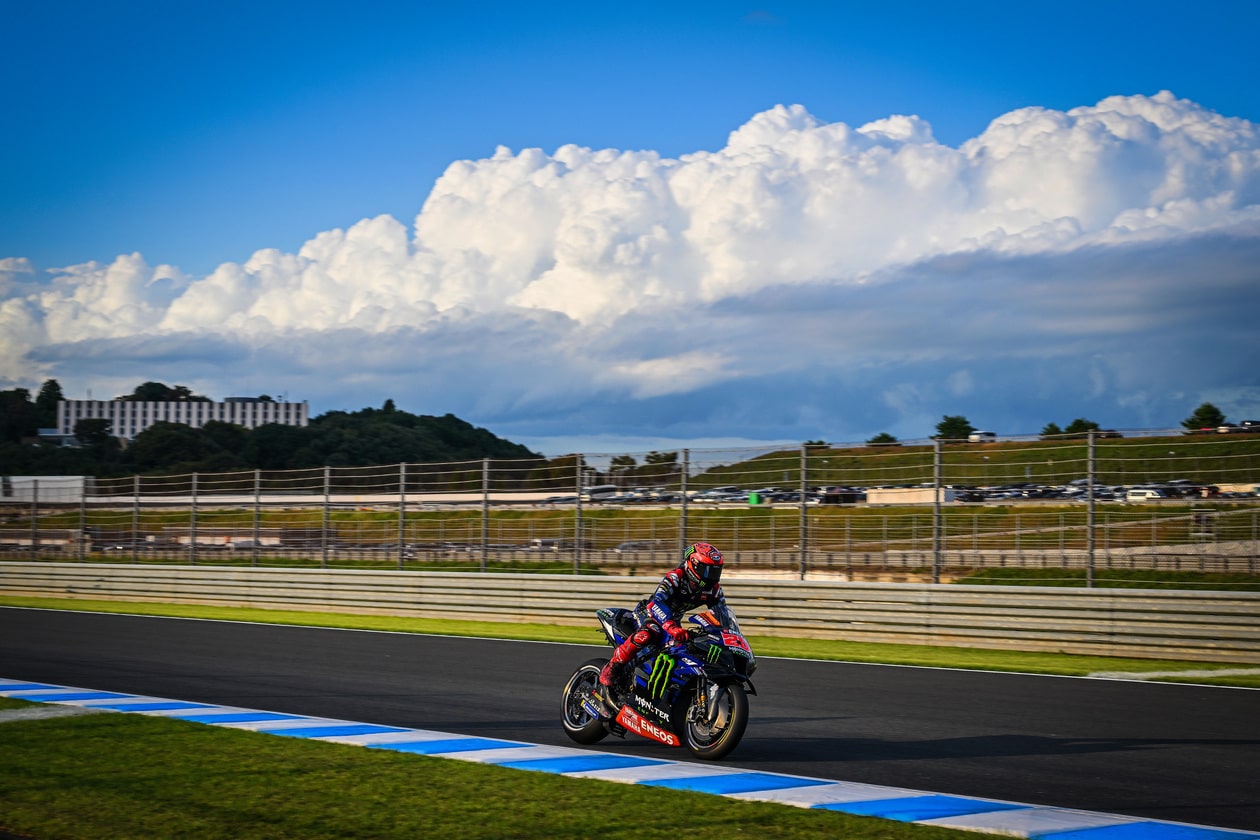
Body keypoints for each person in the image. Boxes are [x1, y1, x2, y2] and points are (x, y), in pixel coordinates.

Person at [595, 542, 727, 716]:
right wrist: (671, 626)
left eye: (716, 571)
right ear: (694, 565)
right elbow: (656, 603)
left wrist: (723, 634)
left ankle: (658, 698)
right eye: (708, 570)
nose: (712, 576)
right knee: (650, 631)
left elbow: (721, 615)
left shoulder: (714, 590)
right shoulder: (676, 577)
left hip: (672, 621)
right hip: (649, 613)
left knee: (682, 649)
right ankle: (610, 671)